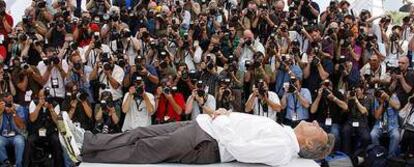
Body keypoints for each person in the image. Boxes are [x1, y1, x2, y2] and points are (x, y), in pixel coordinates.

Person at [60, 108, 335, 166]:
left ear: (310, 143)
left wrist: (223, 121)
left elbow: (242, 150)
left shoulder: (281, 148)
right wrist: (227, 113)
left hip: (206, 142)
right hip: (204, 127)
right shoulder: (283, 133)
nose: (313, 121)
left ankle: (83, 153)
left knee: (143, 148)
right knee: (141, 132)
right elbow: (246, 127)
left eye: (317, 128)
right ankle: (86, 139)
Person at [0, 93, 26, 167]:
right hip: (3, 136)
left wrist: (14, 113)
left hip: (16, 135)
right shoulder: (0, 109)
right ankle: (6, 164)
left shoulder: (19, 108)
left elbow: (22, 127)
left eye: (10, 102)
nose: (8, 105)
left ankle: (18, 165)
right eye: (6, 102)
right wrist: (1, 111)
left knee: (19, 142)